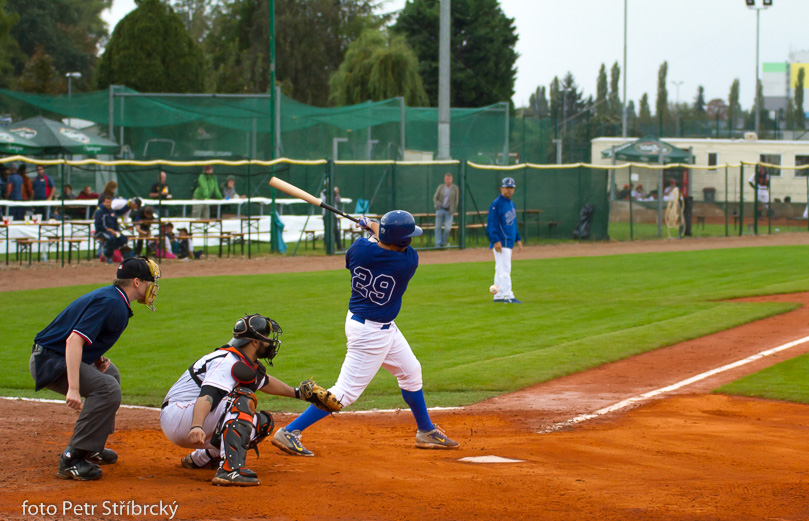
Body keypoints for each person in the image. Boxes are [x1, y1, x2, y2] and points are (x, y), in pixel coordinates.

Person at [272, 210, 460, 457]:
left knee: (411, 371)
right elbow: (386, 241)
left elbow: (374, 243)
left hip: (372, 324)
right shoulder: (408, 262)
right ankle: (290, 431)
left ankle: (425, 431)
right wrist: (372, 225)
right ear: (402, 241)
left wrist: (372, 227)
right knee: (344, 393)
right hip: (371, 335)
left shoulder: (358, 251)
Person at [29, 257, 161, 481]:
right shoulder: (111, 302)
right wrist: (73, 388)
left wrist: (95, 358)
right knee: (107, 388)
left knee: (111, 374)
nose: (153, 287)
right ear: (137, 282)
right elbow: (72, 341)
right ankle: (72, 458)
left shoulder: (113, 298)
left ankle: (93, 447)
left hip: (56, 356)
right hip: (49, 361)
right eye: (150, 282)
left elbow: (85, 334)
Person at [160, 314, 319, 486]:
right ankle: (229, 470)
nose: (271, 343)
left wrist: (298, 393)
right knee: (242, 399)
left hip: (187, 416)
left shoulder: (245, 361)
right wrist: (197, 426)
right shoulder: (227, 361)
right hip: (181, 415)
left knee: (261, 423)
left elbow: (265, 382)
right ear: (255, 342)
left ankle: (201, 459)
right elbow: (208, 395)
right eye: (266, 338)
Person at [486, 177, 522, 304]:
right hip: (501, 241)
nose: (509, 190)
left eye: (511, 188)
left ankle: (498, 295)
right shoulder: (497, 204)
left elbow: (513, 223)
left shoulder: (510, 203)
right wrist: (495, 240)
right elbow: (492, 224)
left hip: (509, 241)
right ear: (502, 188)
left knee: (500, 269)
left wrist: (518, 239)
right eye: (507, 188)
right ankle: (508, 295)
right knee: (504, 269)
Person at [94, 193, 129, 263]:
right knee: (111, 238)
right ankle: (108, 256)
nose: (108, 204)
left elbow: (115, 222)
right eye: (106, 202)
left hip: (112, 231)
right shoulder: (99, 211)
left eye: (109, 203)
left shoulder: (112, 211)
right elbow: (98, 225)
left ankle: (108, 250)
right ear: (103, 202)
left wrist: (117, 231)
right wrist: (109, 230)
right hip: (101, 231)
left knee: (124, 239)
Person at [432, 172, 459, 248]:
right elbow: (435, 198)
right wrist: (437, 205)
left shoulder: (455, 188)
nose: (448, 180)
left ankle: (442, 243)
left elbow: (456, 199)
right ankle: (437, 245)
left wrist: (453, 209)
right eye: (447, 178)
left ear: (452, 179)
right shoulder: (440, 187)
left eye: (449, 178)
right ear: (444, 179)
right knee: (438, 227)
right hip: (440, 210)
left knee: (447, 229)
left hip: (449, 211)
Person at [320, 181, 343, 250]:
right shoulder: (323, 192)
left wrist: (336, 193)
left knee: (336, 230)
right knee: (327, 230)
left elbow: (338, 200)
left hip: (333, 214)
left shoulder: (334, 192)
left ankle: (339, 246)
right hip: (326, 214)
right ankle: (328, 247)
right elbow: (324, 200)